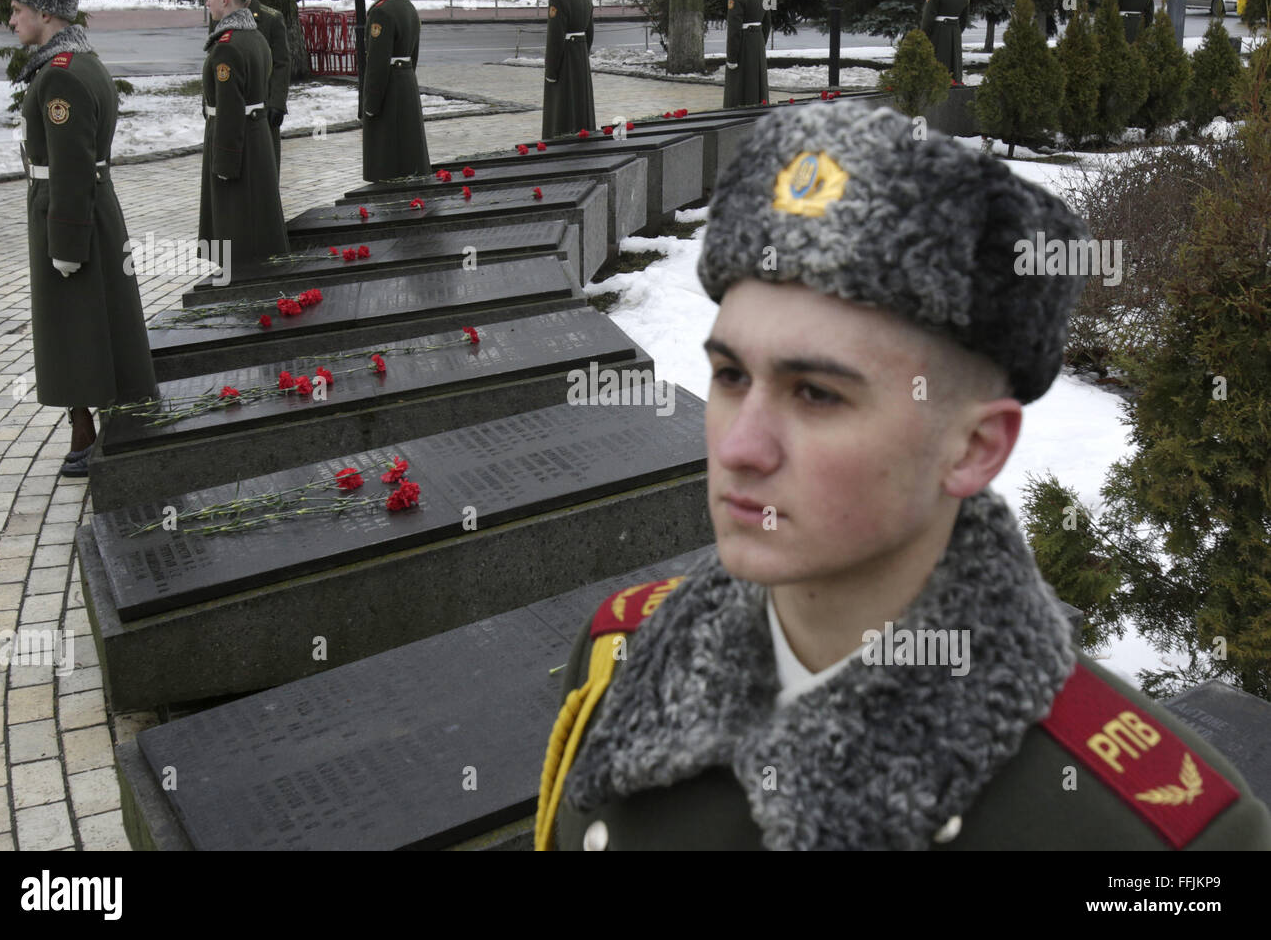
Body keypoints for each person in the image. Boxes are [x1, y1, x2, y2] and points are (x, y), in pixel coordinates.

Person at [534, 103, 1271, 850]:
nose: (742, 445)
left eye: (817, 393)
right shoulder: (621, 657)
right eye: (729, 374)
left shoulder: (1155, 836)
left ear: (975, 449)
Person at [7, 0, 158, 479]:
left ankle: (89, 436)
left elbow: (70, 164)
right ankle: (115, 420)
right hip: (89, 206)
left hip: (68, 210)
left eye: (18, 10)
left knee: (73, 325)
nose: (11, 20)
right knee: (101, 317)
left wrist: (64, 242)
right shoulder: (79, 62)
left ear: (44, 13)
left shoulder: (61, 74)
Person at [199, 0, 287, 265]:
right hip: (256, 135)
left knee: (234, 217)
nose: (206, 1)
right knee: (256, 213)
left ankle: (240, 271)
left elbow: (230, 108)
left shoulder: (227, 46)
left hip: (236, 140)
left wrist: (223, 160)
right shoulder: (254, 37)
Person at [361, 0, 431, 182]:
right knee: (408, 149)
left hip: (389, 88)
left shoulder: (381, 11)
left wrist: (370, 104)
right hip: (407, 82)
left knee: (388, 156)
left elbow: (377, 64)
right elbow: (415, 54)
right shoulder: (409, 8)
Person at [228, 0, 291, 174]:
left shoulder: (270, 18)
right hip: (233, 103)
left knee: (266, 166)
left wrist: (278, 102)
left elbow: (281, 63)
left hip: (263, 104)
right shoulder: (220, 18)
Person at [541, 0, 595, 139]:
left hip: (564, 60)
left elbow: (554, 38)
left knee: (561, 109)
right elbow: (590, 32)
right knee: (580, 106)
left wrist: (551, 72)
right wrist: (582, 54)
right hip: (580, 56)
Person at [723, 0, 770, 109]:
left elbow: (734, 28)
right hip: (757, 42)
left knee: (738, 91)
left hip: (742, 44)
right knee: (757, 89)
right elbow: (767, 23)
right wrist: (759, 44)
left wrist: (732, 57)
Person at [920, 0, 969, 85]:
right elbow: (964, 18)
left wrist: (923, 36)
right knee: (954, 70)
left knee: (938, 70)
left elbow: (928, 17)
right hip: (955, 32)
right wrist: (956, 30)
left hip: (938, 34)